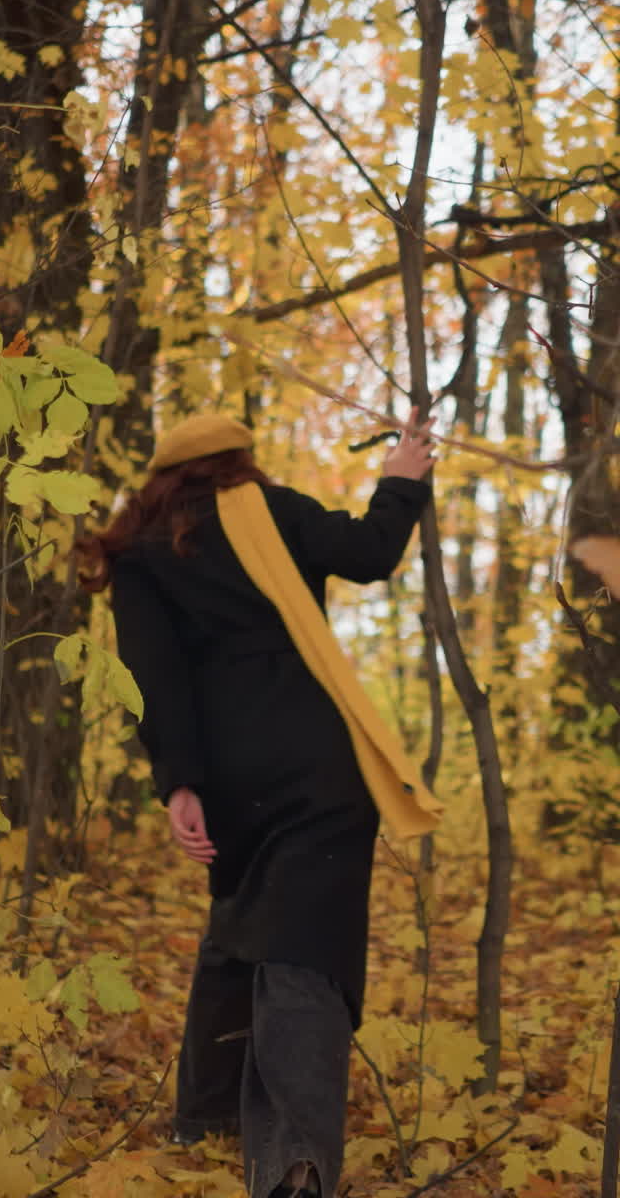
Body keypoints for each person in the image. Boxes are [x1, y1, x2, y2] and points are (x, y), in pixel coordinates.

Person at [76, 408, 439, 1198]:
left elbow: (153, 682)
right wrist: (400, 482)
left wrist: (179, 783)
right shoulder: (272, 513)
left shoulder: (136, 554)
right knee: (302, 946)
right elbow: (371, 554)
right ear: (238, 463)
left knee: (242, 923)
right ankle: (292, 1165)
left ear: (164, 478)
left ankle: (207, 1121)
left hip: (232, 776)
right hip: (321, 765)